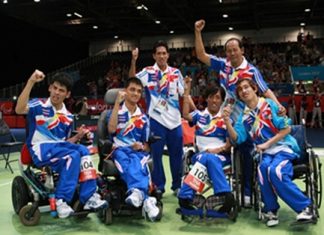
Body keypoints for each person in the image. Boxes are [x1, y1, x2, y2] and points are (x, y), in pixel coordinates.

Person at [194, 19, 285, 204]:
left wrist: (278, 106)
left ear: (242, 50)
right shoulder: (223, 65)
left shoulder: (251, 71)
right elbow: (201, 55)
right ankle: (220, 189)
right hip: (224, 116)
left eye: (235, 49)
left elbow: (265, 90)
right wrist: (197, 32)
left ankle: (247, 191)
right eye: (228, 50)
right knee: (221, 151)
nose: (232, 53)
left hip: (246, 119)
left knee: (245, 152)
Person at [15, 69, 108, 219]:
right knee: (72, 156)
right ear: (50, 88)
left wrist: (78, 136)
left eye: (61, 90)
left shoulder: (67, 116)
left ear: (67, 94)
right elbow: (19, 109)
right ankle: (61, 200)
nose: (57, 93)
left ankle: (89, 196)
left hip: (57, 149)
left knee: (83, 150)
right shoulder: (37, 105)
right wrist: (31, 81)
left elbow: (64, 143)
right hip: (40, 149)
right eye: (55, 88)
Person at [222, 78, 313, 227]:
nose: (244, 91)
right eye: (240, 90)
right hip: (265, 154)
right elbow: (237, 138)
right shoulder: (243, 117)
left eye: (246, 87)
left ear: (255, 89)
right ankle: (270, 210)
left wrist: (266, 144)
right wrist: (226, 121)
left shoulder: (269, 105)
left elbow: (287, 129)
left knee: (275, 171)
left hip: (283, 148)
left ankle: (305, 207)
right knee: (263, 170)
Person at [129, 41, 184, 196]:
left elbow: (184, 94)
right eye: (158, 53)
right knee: (156, 156)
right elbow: (132, 81)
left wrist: (192, 111)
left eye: (164, 53)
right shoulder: (147, 72)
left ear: (168, 55)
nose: (161, 56)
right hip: (156, 121)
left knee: (177, 155)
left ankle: (177, 185)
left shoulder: (176, 73)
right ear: (154, 55)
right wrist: (134, 61)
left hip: (175, 122)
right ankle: (159, 185)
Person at [178, 77, 235, 214]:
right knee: (206, 158)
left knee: (209, 158)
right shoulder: (199, 115)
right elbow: (185, 115)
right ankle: (225, 195)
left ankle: (185, 196)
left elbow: (228, 146)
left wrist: (216, 150)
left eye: (217, 98)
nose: (214, 100)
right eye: (211, 97)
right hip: (199, 156)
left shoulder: (226, 120)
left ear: (222, 101)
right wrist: (186, 92)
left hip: (221, 156)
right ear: (207, 99)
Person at [107, 77, 160, 221]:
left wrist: (142, 146)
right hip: (119, 150)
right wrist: (117, 103)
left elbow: (147, 145)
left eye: (138, 91)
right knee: (127, 163)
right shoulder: (115, 111)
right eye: (132, 90)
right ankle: (146, 198)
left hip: (137, 152)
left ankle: (137, 193)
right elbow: (111, 129)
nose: (135, 93)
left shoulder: (143, 118)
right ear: (125, 91)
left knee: (137, 162)